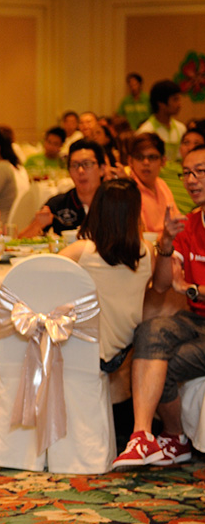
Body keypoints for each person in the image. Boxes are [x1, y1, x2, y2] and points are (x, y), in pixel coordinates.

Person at [109, 145, 205, 468]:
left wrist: (193, 289)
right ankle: (142, 436)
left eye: (200, 172)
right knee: (149, 332)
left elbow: (185, 288)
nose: (191, 180)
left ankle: (175, 436)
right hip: (197, 320)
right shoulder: (190, 224)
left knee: (164, 362)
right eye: (187, 173)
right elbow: (163, 285)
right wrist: (165, 244)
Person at [58, 178, 154, 374]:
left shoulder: (82, 251)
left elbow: (43, 275)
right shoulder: (147, 252)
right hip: (127, 351)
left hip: (87, 353)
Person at [19, 139, 105, 238]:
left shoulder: (114, 202)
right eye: (74, 165)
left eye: (87, 164)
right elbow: (20, 241)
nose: (80, 171)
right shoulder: (59, 204)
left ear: (102, 169)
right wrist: (38, 225)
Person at [127, 133, 177, 234]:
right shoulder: (128, 191)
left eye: (152, 157)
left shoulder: (162, 184)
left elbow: (176, 220)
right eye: (139, 157)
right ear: (130, 161)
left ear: (163, 161)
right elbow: (139, 235)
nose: (146, 162)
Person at [137, 80, 186, 164]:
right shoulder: (146, 131)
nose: (179, 104)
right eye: (175, 99)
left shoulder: (181, 128)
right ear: (161, 103)